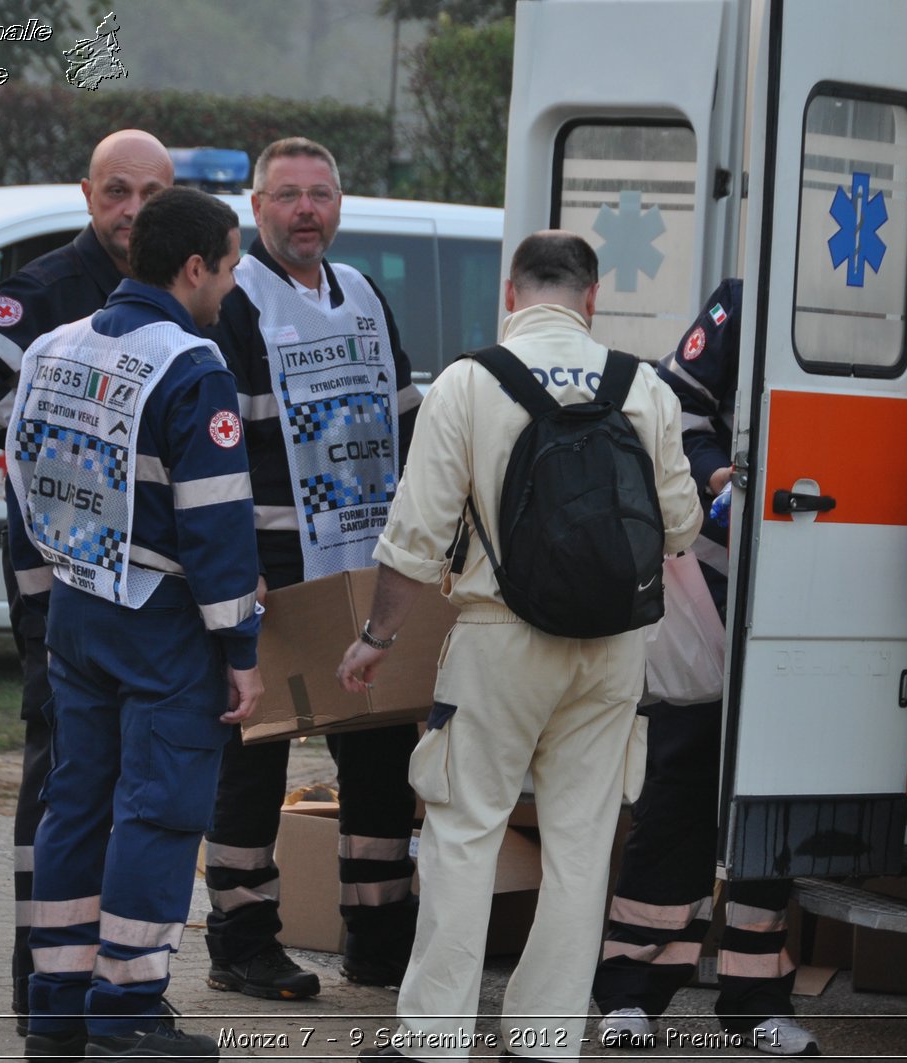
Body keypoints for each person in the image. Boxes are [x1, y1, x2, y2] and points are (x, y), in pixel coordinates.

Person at [337, 231, 703, 1061]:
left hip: (499, 641)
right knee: (579, 843)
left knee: (465, 834)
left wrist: (375, 638)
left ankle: (432, 1042)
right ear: (592, 296)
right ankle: (542, 1041)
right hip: (612, 649)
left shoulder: (468, 383)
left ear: (512, 293)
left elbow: (416, 536)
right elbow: (679, 526)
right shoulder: (643, 387)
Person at [0, 129, 175, 1032]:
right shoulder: (52, 288)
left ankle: (96, 976)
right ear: (85, 193)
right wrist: (47, 445)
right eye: (116, 190)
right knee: (65, 778)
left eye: (150, 192)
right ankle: (43, 982)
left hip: (141, 594)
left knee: (124, 786)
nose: (132, 210)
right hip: (58, 585)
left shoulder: (176, 288)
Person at [10, 186, 260, 1062]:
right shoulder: (193, 366)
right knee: (157, 812)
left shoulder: (50, 348)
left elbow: (24, 485)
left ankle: (57, 1008)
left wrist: (45, 600)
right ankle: (128, 1013)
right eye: (228, 268)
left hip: (76, 606)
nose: (230, 287)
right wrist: (243, 648)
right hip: (162, 623)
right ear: (194, 267)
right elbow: (217, 521)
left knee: (73, 803)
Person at [198, 137, 422, 999]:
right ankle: (241, 942)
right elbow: (220, 457)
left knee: (379, 759)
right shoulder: (237, 303)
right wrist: (240, 567)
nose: (305, 211)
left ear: (340, 204)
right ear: (256, 208)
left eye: (320, 194)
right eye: (286, 195)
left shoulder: (363, 293)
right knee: (252, 761)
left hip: (366, 571)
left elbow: (405, 422)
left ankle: (379, 940)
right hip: (275, 577)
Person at [592, 278, 821, 1056]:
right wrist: (717, 472)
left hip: (825, 592)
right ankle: (631, 991)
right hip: (720, 583)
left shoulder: (898, 301)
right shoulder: (751, 297)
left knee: (780, 798)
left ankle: (757, 998)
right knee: (682, 778)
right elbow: (670, 404)